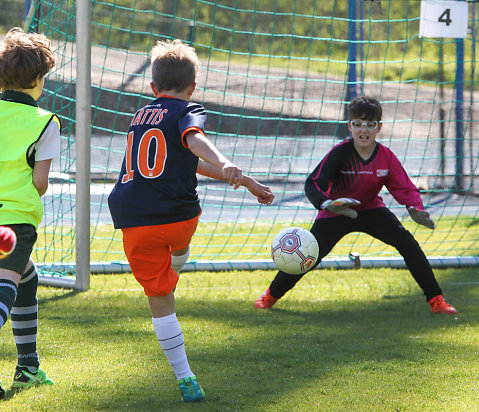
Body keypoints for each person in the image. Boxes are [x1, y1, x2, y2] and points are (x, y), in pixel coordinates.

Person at [108, 39, 274, 403]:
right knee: (179, 241)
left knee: (160, 298)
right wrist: (231, 166)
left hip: (134, 218)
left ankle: (185, 378)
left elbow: (185, 156)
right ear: (192, 88)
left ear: (152, 88)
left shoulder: (139, 116)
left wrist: (244, 181)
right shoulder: (187, 110)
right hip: (179, 217)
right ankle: (177, 264)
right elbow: (195, 142)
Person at [254, 95, 457, 316]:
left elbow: (405, 188)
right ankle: (269, 296)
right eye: (358, 124)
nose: (364, 130)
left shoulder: (386, 157)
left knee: (408, 243)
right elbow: (313, 183)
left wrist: (415, 207)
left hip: (371, 209)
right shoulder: (340, 153)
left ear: (379, 128)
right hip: (336, 212)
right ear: (350, 125)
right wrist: (328, 204)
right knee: (308, 256)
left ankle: (437, 301)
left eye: (370, 125)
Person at [0, 27, 60, 398]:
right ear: (39, 79)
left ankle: (28, 367)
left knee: (27, 279)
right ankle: (27, 367)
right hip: (15, 221)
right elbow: (39, 183)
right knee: (4, 292)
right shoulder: (44, 121)